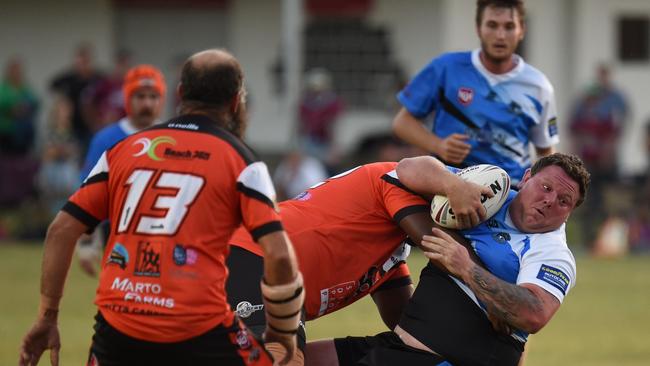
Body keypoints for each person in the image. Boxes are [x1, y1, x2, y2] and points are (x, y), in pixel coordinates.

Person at [19, 49, 303, 366]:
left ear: (179, 94)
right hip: (198, 326)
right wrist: (282, 334)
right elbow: (279, 255)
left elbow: (61, 229)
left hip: (117, 327)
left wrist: (47, 317)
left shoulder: (122, 150)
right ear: (237, 101)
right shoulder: (243, 163)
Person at [307, 153, 590, 366]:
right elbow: (407, 169)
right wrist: (451, 184)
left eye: (563, 201)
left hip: (444, 358)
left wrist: (467, 268)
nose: (550, 201)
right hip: (400, 346)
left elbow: (534, 313)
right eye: (546, 188)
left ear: (569, 213)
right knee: (293, 357)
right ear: (527, 178)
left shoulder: (552, 252)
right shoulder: (490, 190)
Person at [226, 158, 497, 365]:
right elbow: (441, 246)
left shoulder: (391, 246)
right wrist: (496, 295)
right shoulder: (395, 182)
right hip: (257, 254)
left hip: (268, 267)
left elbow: (409, 325)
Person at [392, 0, 558, 185]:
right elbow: (402, 122)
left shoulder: (539, 86)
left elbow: (546, 151)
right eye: (492, 25)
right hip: (448, 186)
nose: (501, 35)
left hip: (510, 192)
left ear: (522, 31)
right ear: (478, 28)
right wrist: (438, 145)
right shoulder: (446, 68)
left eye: (509, 26)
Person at [76, 64, 167, 277]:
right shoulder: (105, 140)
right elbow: (87, 193)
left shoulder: (173, 137)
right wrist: (86, 241)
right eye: (140, 96)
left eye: (153, 97)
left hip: (163, 233)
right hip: (117, 234)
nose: (147, 103)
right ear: (127, 98)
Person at [569, 63, 629, 248]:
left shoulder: (608, 112)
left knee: (609, 201)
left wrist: (607, 156)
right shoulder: (583, 115)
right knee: (589, 202)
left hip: (605, 165)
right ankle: (590, 239)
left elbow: (613, 137)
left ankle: (610, 238)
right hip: (588, 164)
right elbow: (575, 135)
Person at [49, 43, 104, 155]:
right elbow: (53, 84)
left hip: (91, 124)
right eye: (80, 62)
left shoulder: (98, 78)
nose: (82, 65)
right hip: (72, 124)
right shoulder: (70, 78)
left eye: (85, 61)